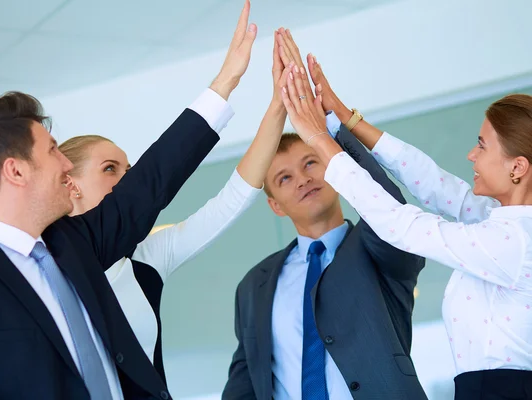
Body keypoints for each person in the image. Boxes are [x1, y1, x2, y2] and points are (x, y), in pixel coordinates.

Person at [0, 2, 257, 399]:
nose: (65, 162)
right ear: (16, 171)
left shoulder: (74, 243)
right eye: (52, 151)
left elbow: (152, 181)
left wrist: (224, 83)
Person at [279, 32, 532, 400]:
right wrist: (340, 118)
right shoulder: (501, 219)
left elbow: (403, 226)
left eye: (482, 145)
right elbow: (431, 181)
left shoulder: (516, 241)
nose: (471, 156)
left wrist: (320, 140)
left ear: (517, 167)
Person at [57, 33, 293, 383]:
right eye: (110, 168)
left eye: (129, 170)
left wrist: (278, 106)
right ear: (69, 183)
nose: (127, 179)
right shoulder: (47, 265)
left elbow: (231, 200)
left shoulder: (146, 259)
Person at [222, 29, 427, 400]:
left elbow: (389, 207)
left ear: (334, 169)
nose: (302, 180)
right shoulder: (254, 285)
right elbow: (246, 381)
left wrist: (327, 127)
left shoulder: (380, 247)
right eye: (284, 178)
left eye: (311, 163)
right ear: (275, 204)